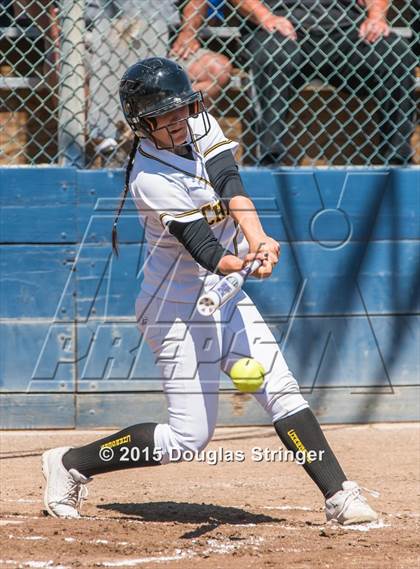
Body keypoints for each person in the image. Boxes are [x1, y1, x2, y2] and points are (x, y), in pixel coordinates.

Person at [42, 57, 378, 525]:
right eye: (167, 114)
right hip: (175, 308)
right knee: (187, 440)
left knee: (280, 388)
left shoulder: (197, 122)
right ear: (142, 122)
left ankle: (339, 496)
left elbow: (228, 179)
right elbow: (203, 246)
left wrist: (257, 238)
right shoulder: (150, 179)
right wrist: (239, 263)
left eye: (184, 108)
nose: (180, 119)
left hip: (224, 295)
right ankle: (70, 464)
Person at [233, 0, 417, 165]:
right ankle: (269, 157)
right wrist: (265, 16)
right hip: (281, 28)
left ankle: (397, 157)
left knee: (397, 56)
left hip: (348, 30)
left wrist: (376, 17)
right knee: (274, 55)